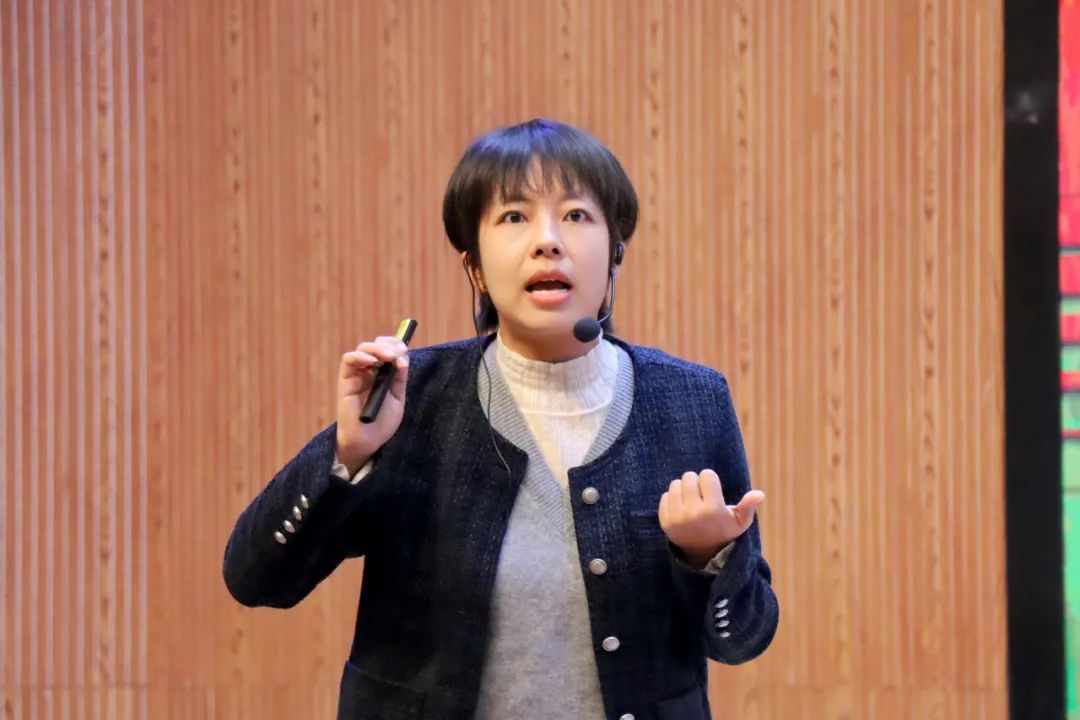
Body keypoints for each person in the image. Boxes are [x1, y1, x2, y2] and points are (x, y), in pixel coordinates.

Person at [223, 118, 779, 720]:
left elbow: (743, 638)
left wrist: (707, 556)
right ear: (476, 269)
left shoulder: (690, 400)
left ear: (615, 254)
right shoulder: (412, 399)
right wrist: (349, 453)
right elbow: (257, 580)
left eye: (576, 215)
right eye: (514, 217)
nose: (548, 241)